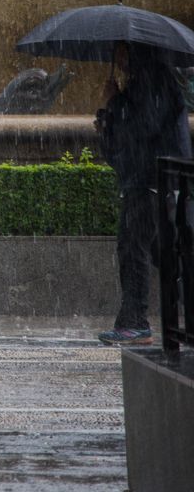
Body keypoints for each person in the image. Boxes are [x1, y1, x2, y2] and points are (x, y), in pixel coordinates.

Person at [94, 42, 192, 345]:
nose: (117, 55)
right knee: (159, 253)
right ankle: (139, 321)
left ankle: (135, 322)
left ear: (136, 49)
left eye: (121, 49)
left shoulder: (155, 79)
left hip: (154, 183)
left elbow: (143, 127)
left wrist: (116, 103)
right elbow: (121, 149)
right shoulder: (141, 82)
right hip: (144, 182)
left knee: (136, 250)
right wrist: (107, 119)